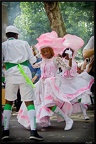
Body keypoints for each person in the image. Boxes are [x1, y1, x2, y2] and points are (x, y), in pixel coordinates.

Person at [2, 25, 44, 141]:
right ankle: (33, 132)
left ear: (7, 35)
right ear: (17, 35)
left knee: (9, 102)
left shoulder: (3, 45)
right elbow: (33, 61)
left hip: (10, 74)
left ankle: (5, 131)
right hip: (24, 73)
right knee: (29, 101)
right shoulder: (24, 43)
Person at [58, 48, 94, 120]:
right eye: (68, 53)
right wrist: (69, 59)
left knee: (80, 97)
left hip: (75, 81)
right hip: (65, 82)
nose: (69, 55)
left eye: (71, 53)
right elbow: (68, 68)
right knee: (66, 99)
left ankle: (85, 114)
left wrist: (80, 71)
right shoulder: (63, 60)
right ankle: (66, 116)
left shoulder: (73, 60)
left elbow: (75, 69)